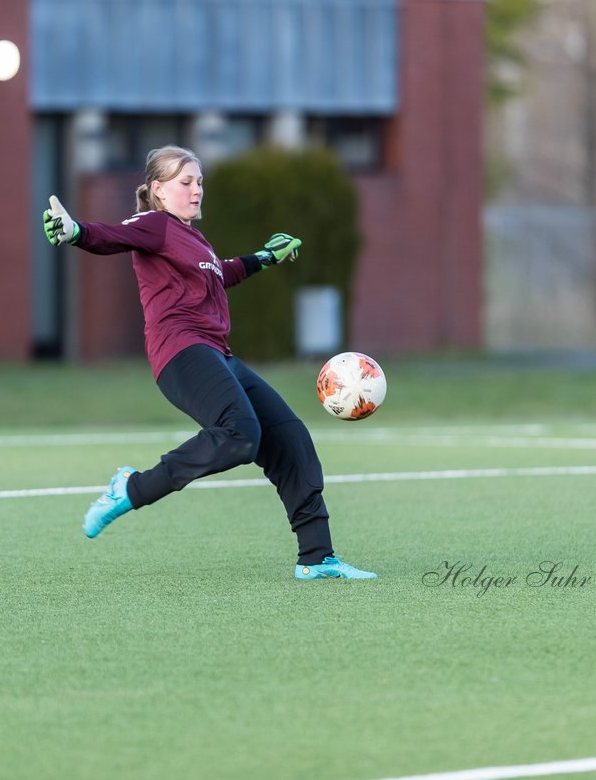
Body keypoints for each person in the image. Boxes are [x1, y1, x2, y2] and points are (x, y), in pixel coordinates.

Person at [42, 145, 376, 580]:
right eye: (186, 182)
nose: (196, 190)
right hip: (180, 351)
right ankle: (129, 489)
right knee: (240, 435)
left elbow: (220, 271)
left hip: (216, 352)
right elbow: (111, 236)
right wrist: (74, 231)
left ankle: (317, 558)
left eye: (199, 182)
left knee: (290, 438)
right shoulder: (154, 224)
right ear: (159, 190)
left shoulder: (193, 237)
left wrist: (263, 258)